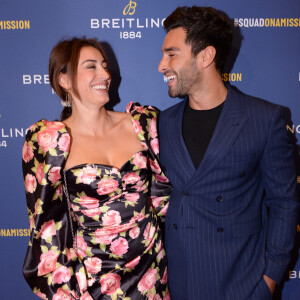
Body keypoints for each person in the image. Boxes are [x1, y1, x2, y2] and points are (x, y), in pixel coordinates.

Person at [158, 6, 298, 300]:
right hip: (177, 286)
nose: (162, 65)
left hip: (241, 284)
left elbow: (284, 203)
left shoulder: (264, 119)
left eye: (172, 54)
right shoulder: (162, 123)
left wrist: (269, 279)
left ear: (205, 56)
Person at [22, 37, 171, 300]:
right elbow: (46, 230)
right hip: (94, 284)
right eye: (91, 66)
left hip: (153, 273)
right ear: (64, 80)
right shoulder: (49, 142)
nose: (105, 74)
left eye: (104, 65)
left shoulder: (142, 123)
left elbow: (165, 196)